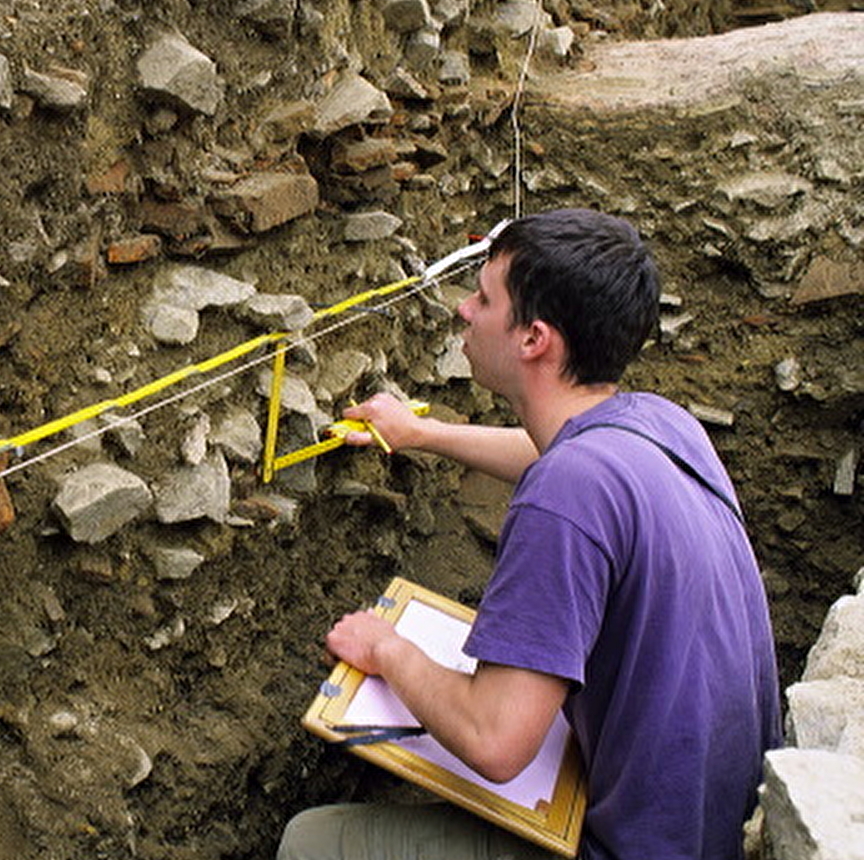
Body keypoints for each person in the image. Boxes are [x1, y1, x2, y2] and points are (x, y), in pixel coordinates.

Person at [278, 209, 782, 860]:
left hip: (632, 848)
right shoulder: (661, 426)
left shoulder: (565, 498)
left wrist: (388, 650)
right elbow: (550, 453)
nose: (463, 310)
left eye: (485, 299)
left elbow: (495, 742)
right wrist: (420, 433)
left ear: (534, 339)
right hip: (715, 827)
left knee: (313, 843)